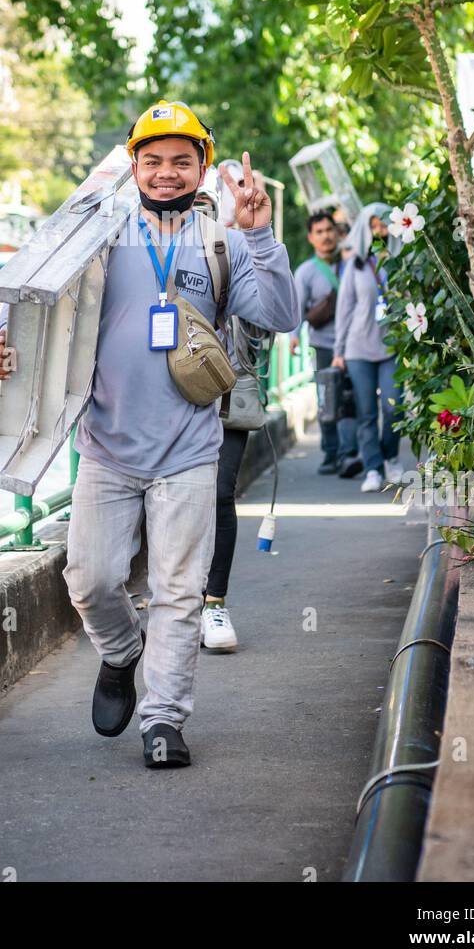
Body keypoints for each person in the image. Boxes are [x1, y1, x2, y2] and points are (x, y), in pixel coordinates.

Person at [0, 101, 299, 768]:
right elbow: (35, 299)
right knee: (90, 581)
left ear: (202, 169)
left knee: (179, 592)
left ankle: (163, 719)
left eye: (181, 161)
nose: (165, 173)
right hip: (104, 446)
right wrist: (5, 342)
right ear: (133, 168)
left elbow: (280, 314)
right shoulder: (96, 233)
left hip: (189, 449)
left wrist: (262, 235)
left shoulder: (223, 240)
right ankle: (121, 651)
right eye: (152, 160)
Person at [193, 162, 273, 655]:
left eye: (207, 208)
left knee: (220, 494)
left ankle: (214, 603)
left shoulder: (235, 252)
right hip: (166, 398)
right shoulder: (154, 249)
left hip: (227, 394)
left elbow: (272, 317)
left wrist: (252, 238)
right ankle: (175, 601)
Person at [332, 202, 404, 493]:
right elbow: (344, 309)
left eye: (383, 224)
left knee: (394, 407)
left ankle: (391, 457)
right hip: (358, 348)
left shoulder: (402, 261)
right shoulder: (355, 265)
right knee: (366, 413)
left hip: (392, 347)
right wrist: (338, 352)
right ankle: (373, 468)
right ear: (364, 229)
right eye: (373, 225)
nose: (378, 230)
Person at [290, 210, 361, 477]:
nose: (326, 236)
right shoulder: (306, 272)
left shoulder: (353, 263)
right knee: (328, 401)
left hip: (355, 344)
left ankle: (348, 453)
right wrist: (294, 336)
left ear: (338, 233)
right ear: (311, 237)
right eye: (319, 232)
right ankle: (331, 453)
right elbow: (297, 307)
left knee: (352, 399)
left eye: (329, 230)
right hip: (323, 345)